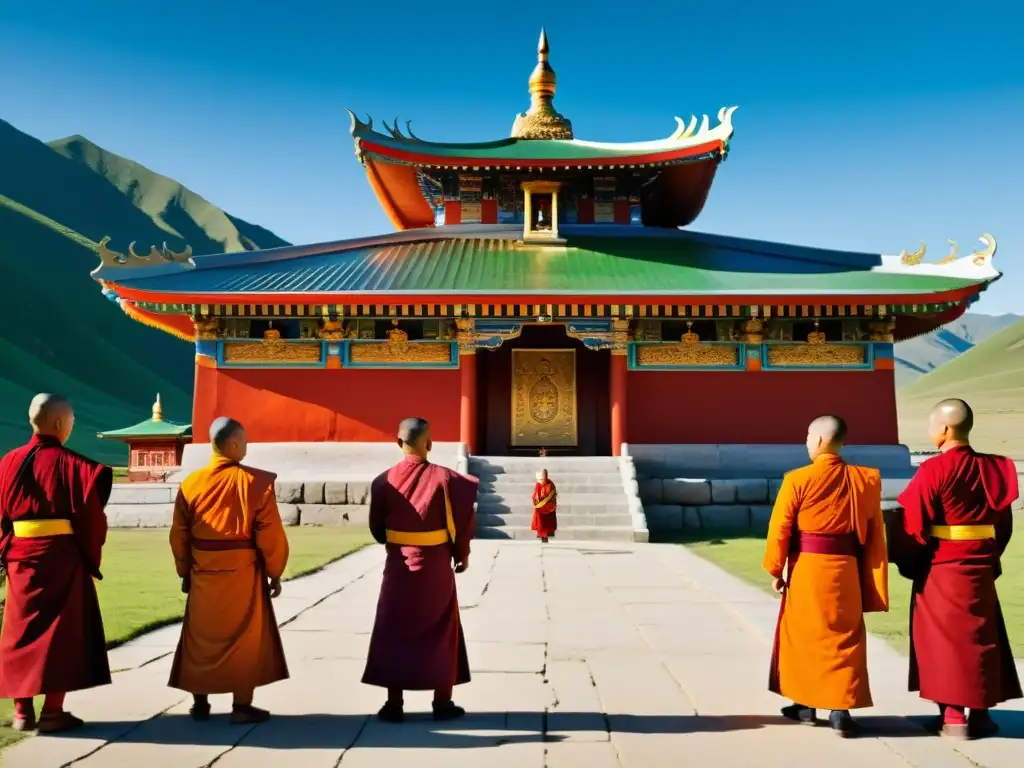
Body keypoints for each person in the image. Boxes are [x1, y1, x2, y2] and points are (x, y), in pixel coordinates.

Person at [891, 398, 1021, 739]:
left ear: (945, 428)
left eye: (933, 426)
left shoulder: (933, 470)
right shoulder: (997, 468)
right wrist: (989, 556)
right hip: (979, 564)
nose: (931, 432)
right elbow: (1003, 524)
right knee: (982, 638)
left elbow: (912, 526)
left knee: (944, 643)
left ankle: (953, 717)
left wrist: (911, 561)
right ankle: (980, 716)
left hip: (941, 567)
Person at [763, 414, 889, 737]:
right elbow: (875, 531)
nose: (806, 442)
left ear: (819, 441)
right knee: (844, 638)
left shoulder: (797, 479)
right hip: (845, 569)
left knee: (804, 636)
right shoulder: (866, 479)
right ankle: (840, 711)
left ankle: (806, 707)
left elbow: (780, 529)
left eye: (807, 436)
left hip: (807, 569)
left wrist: (776, 569)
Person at [0, 393, 113, 733]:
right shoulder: (77, 466)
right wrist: (90, 560)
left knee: (20, 631)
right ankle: (52, 711)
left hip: (21, 559)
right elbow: (92, 522)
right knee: (61, 637)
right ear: (60, 423)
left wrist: (6, 552)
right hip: (63, 560)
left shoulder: (7, 463)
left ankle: (22, 712)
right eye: (73, 421)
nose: (73, 426)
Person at [168, 417, 290, 724]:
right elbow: (269, 533)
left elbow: (179, 533)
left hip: (202, 569)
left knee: (200, 635)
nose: (246, 446)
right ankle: (241, 706)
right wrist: (275, 571)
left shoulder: (191, 483)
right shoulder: (256, 483)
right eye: (245, 441)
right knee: (244, 636)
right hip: (242, 571)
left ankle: (200, 704)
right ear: (234, 444)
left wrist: (185, 571)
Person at [362, 417, 478, 723]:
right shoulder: (447, 479)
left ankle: (394, 704)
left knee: (394, 629)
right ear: (429, 443)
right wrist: (461, 555)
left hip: (399, 566)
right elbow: (465, 522)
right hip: (436, 566)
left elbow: (377, 530)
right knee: (442, 630)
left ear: (398, 443)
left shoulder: (382, 481)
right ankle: (442, 703)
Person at [531, 469, 557, 543]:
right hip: (540, 507)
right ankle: (543, 536)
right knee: (541, 523)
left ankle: (547, 535)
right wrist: (538, 502)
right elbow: (535, 495)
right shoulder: (538, 484)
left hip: (549, 508)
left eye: (545, 475)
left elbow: (553, 495)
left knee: (548, 522)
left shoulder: (551, 484)